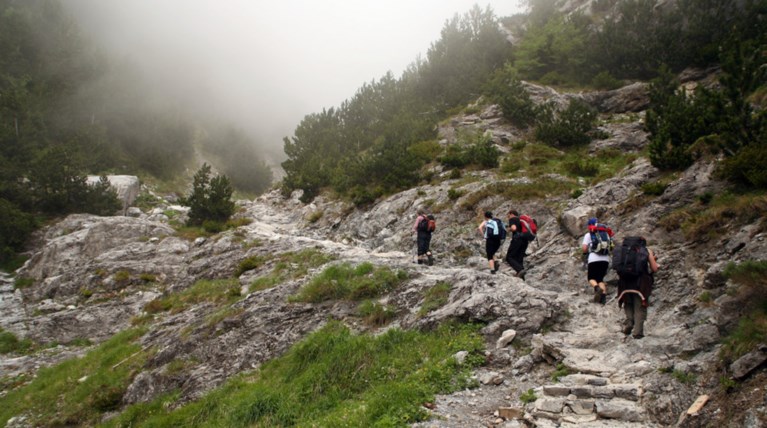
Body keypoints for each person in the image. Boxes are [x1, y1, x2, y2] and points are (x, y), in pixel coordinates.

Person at [617, 238, 660, 339]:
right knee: (640, 306)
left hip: (624, 283)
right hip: (640, 284)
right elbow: (654, 268)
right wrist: (654, 260)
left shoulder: (622, 250)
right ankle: (638, 332)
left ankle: (630, 322)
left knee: (628, 304)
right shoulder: (646, 251)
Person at [581, 217, 610, 304]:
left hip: (594, 258)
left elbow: (584, 249)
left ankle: (597, 288)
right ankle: (603, 299)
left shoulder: (589, 235)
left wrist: (585, 253)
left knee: (591, 278)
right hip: (605, 259)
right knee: (600, 279)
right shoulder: (605, 234)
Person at [505, 209, 528, 279]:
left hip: (517, 240)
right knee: (519, 259)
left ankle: (520, 270)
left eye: (508, 214)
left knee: (509, 257)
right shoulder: (521, 220)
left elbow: (514, 228)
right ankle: (522, 278)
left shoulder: (512, 219)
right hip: (525, 241)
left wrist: (509, 229)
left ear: (511, 213)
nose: (508, 216)